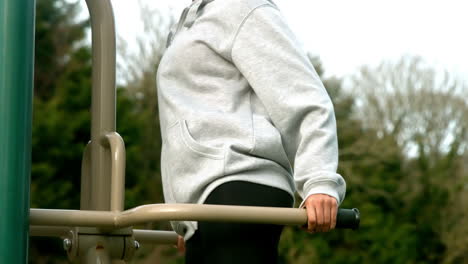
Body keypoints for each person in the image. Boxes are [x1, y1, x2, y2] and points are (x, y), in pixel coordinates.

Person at [156, 0, 346, 263]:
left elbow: (303, 95)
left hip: (239, 184)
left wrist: (320, 180)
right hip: (205, 203)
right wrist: (187, 219)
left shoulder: (242, 7)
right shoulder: (191, 21)